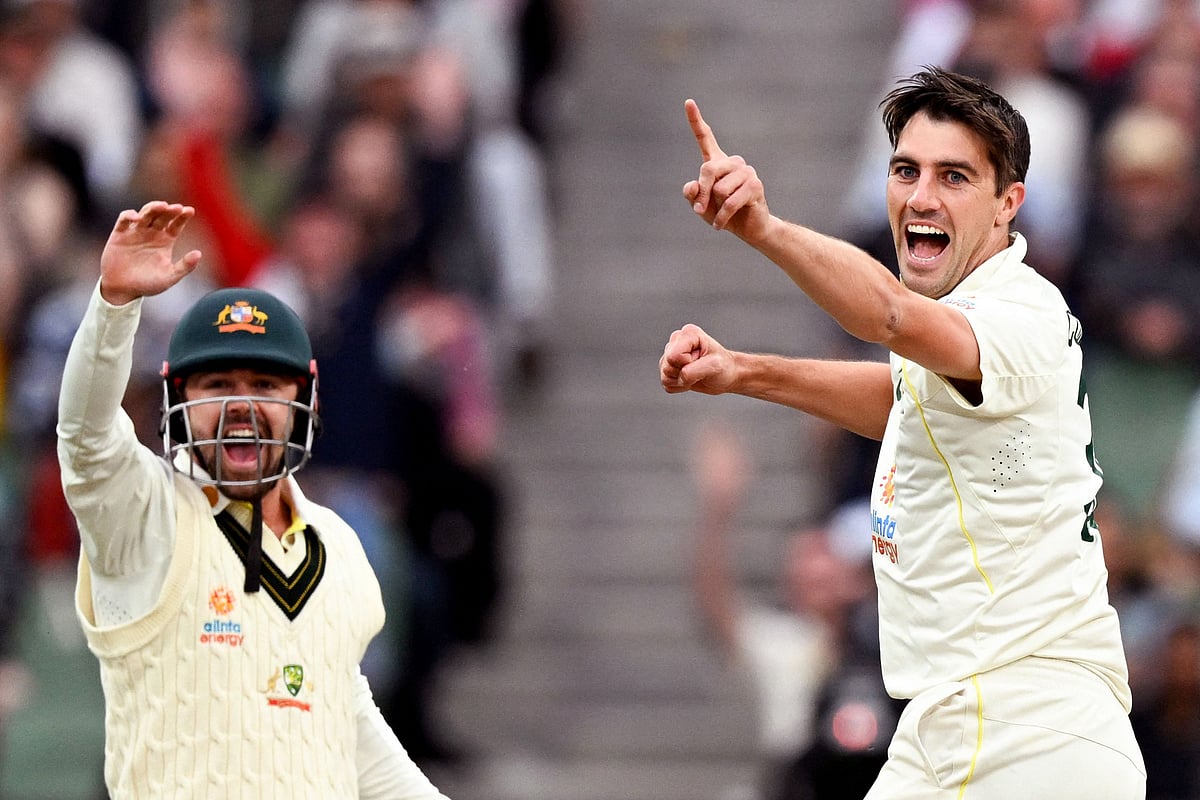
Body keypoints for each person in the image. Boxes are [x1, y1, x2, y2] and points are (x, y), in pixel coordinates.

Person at [659, 67, 1145, 798]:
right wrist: (743, 371)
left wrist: (764, 229)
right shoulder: (967, 326)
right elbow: (900, 402)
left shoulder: (1022, 311)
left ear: (1008, 204)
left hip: (1026, 727)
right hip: (962, 723)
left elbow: (886, 314)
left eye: (955, 177)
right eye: (906, 171)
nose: (921, 196)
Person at [57, 200, 451, 799]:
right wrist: (114, 306)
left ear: (306, 402)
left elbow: (349, 732)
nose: (241, 406)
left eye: (265, 384)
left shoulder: (339, 546)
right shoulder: (144, 515)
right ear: (177, 403)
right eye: (218, 385)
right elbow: (85, 439)